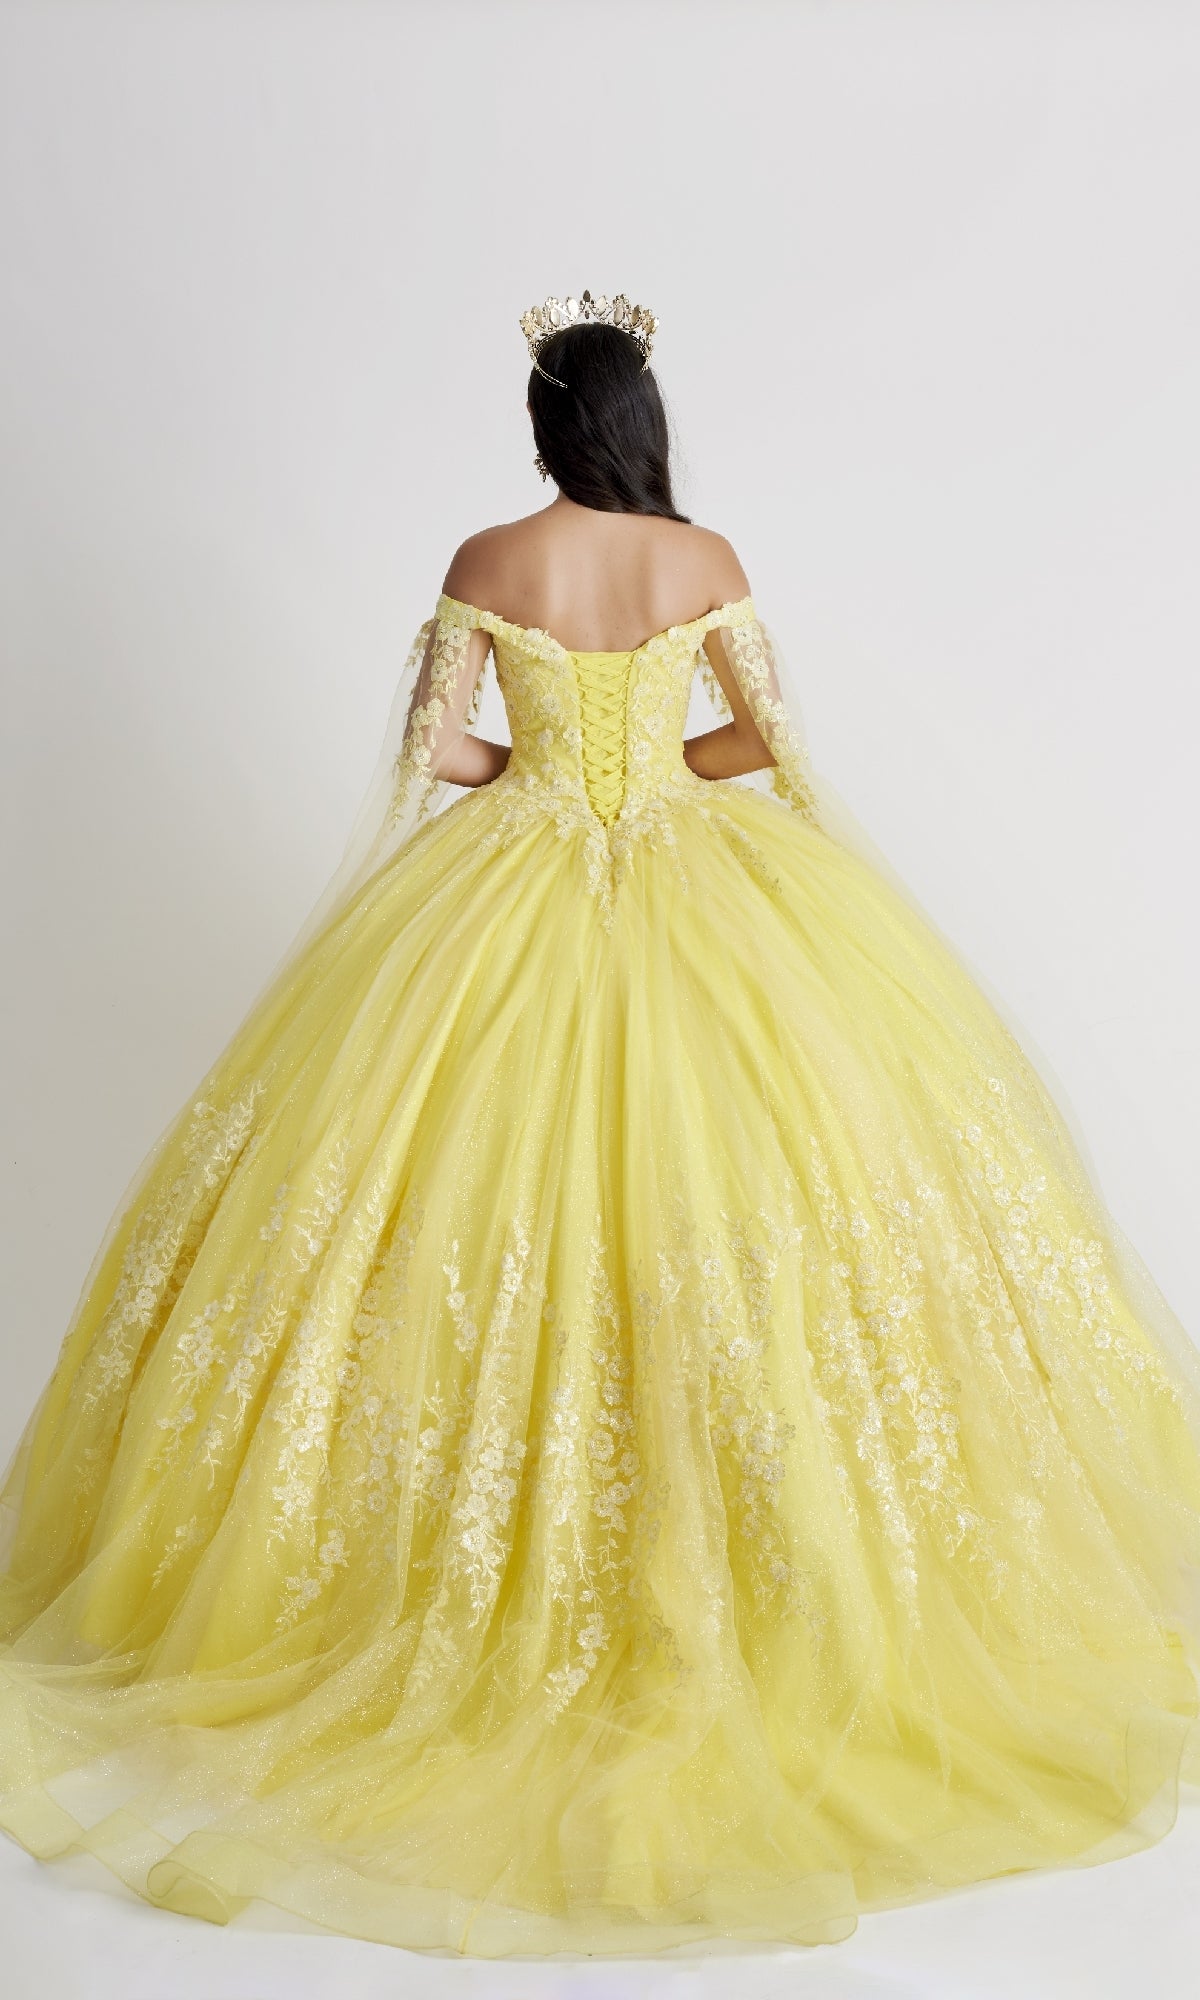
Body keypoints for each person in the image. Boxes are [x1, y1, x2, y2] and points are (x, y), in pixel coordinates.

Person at [2, 289, 1199, 1957]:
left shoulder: (489, 557)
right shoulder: (703, 558)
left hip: (504, 896)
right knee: (767, 1193)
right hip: (711, 890)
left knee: (440, 1203)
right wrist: (655, 770)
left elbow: (431, 749)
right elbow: (768, 741)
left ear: (543, 425)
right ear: (640, 423)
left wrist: (536, 778)